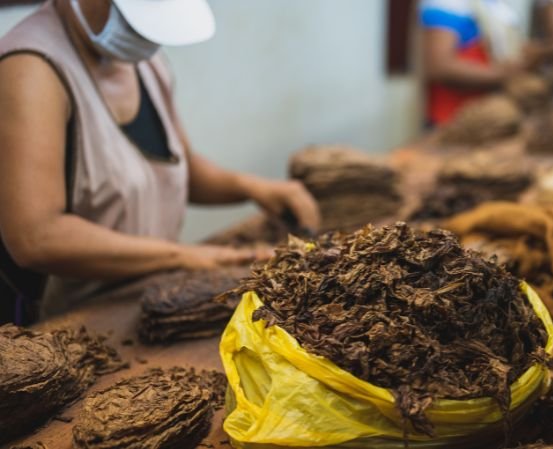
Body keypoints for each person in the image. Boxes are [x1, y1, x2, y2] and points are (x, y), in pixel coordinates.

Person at [0, 0, 321, 323]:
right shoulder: (28, 70)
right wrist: (184, 256)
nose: (143, 35)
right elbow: (36, 238)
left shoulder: (141, 59)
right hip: (64, 317)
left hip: (139, 297)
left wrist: (252, 187)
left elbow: (178, 168)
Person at [419, 0, 553, 126]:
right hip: (454, 120)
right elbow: (439, 66)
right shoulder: (449, 3)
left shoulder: (495, 5)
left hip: (492, 116)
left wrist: (533, 55)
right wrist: (511, 73)